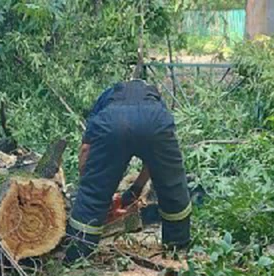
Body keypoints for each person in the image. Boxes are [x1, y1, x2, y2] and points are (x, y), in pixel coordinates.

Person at [65, 77, 192, 262]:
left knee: (92, 197)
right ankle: (177, 248)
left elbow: (86, 149)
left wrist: (91, 185)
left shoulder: (107, 97)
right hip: (155, 122)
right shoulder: (155, 101)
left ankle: (77, 255)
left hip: (112, 123)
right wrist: (136, 188)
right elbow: (155, 161)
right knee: (172, 187)